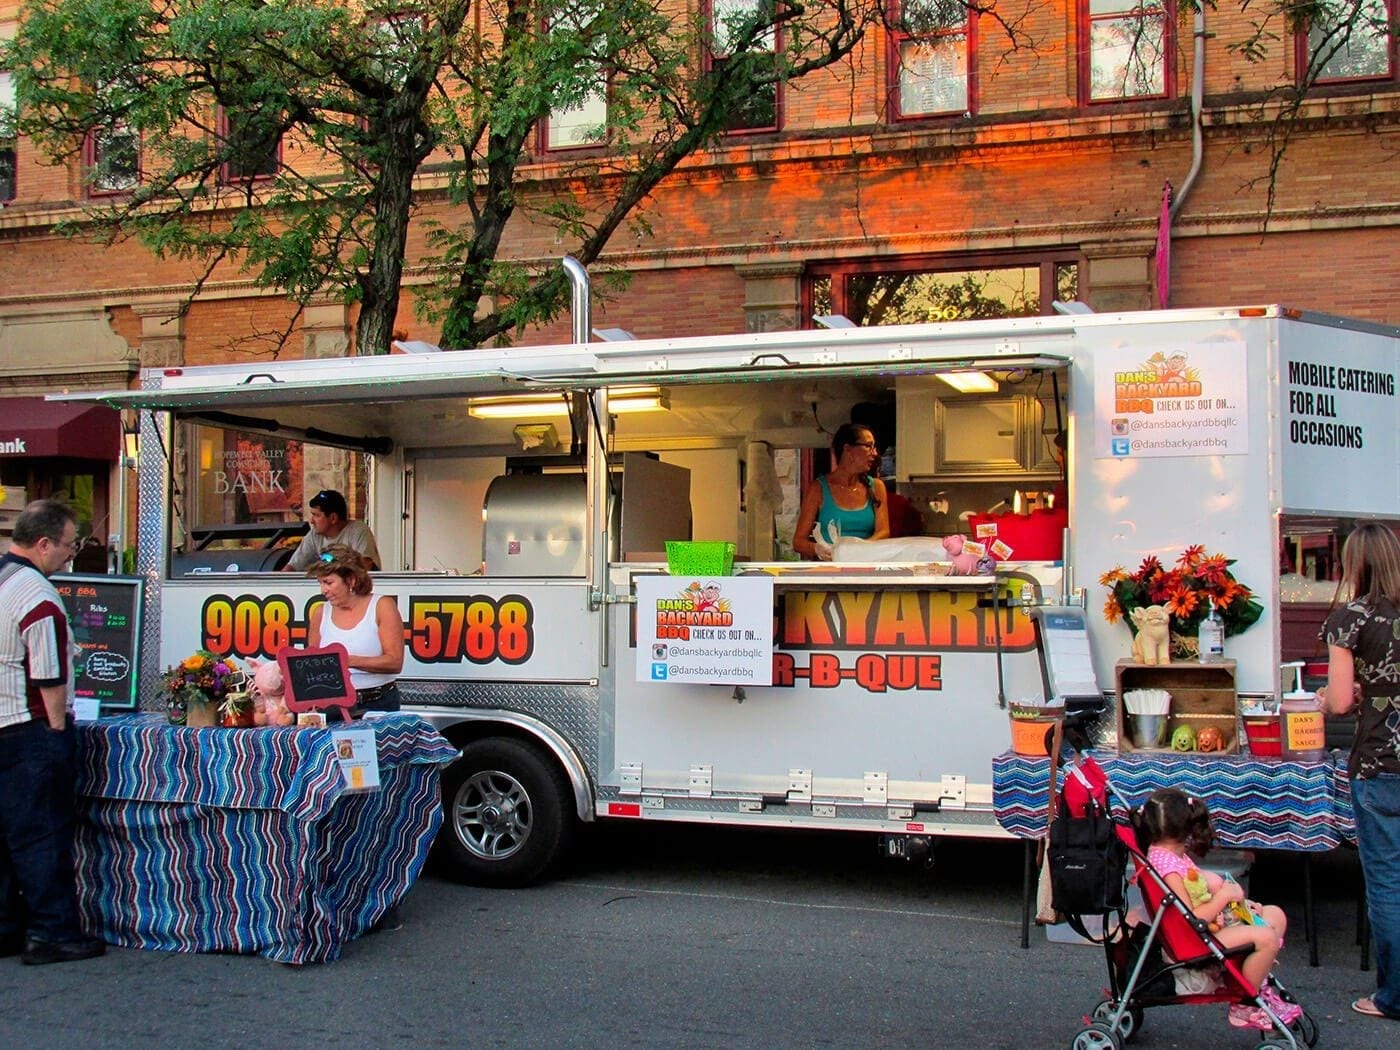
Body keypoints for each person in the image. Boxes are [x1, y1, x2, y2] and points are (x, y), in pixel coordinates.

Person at [0, 500, 106, 965]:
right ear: (43, 543)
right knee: (42, 836)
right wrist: (58, 731)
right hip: (28, 727)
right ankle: (52, 931)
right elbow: (48, 676)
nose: (71, 553)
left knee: (3, 839)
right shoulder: (38, 596)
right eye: (68, 544)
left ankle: (6, 928)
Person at [1318, 521, 1400, 1022]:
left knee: (1388, 882)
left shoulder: (1350, 619)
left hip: (1379, 762)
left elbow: (1342, 701)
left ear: (1354, 564)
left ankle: (1393, 997)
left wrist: (1329, 699)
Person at [1140, 788, 1298, 1029]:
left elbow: (1199, 890)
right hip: (1197, 935)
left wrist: (1241, 905)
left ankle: (1256, 979)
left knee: (1275, 914)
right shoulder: (1167, 867)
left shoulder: (1171, 854)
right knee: (1266, 937)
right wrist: (1224, 897)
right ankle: (1246, 1002)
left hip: (1213, 923)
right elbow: (1192, 917)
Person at [306, 545, 404, 717]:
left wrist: (346, 660)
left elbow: (394, 662)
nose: (323, 590)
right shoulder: (320, 613)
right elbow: (312, 664)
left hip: (377, 702)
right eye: (320, 583)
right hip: (333, 705)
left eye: (328, 582)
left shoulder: (382, 606)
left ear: (351, 581)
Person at [791, 423, 890, 560]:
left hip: (866, 568)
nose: (875, 453)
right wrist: (817, 548)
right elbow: (798, 542)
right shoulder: (818, 488)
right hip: (831, 571)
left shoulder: (876, 487)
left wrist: (859, 550)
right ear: (848, 449)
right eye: (869, 446)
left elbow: (884, 531)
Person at [283, 489, 382, 571]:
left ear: (333, 518)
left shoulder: (358, 530)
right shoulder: (314, 535)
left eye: (316, 515)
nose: (311, 521)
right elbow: (293, 566)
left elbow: (365, 565)